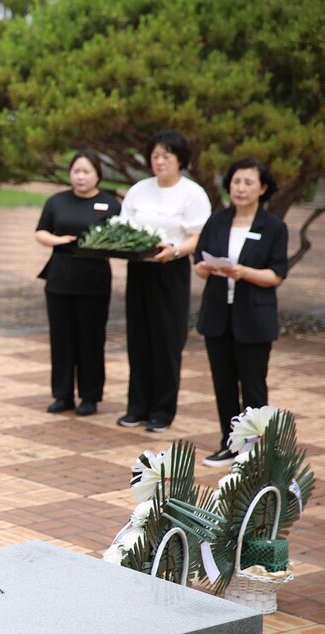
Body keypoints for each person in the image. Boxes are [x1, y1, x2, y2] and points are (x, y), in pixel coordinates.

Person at [194, 158, 287, 467]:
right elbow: (199, 264)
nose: (241, 188)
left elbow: (276, 275)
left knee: (253, 384)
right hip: (218, 314)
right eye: (236, 181)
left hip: (254, 317)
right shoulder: (217, 221)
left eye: (249, 182)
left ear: (262, 188)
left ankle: (257, 451)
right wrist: (207, 268)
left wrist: (242, 271)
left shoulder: (272, 226)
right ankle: (229, 444)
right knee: (223, 384)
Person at [118, 130, 211, 432]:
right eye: (155, 156)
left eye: (166, 156)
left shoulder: (192, 193)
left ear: (180, 159)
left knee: (167, 340)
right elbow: (123, 227)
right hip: (140, 268)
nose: (159, 161)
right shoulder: (139, 190)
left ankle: (162, 410)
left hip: (171, 270)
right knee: (138, 337)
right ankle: (137, 406)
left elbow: (198, 236)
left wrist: (175, 250)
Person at [34, 151, 121, 416]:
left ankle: (90, 396)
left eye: (86, 171)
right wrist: (57, 241)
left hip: (94, 280)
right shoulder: (57, 201)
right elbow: (40, 231)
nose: (80, 177)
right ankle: (62, 395)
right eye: (76, 171)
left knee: (91, 338)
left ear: (98, 174)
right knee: (61, 338)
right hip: (60, 276)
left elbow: (120, 237)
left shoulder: (111, 203)